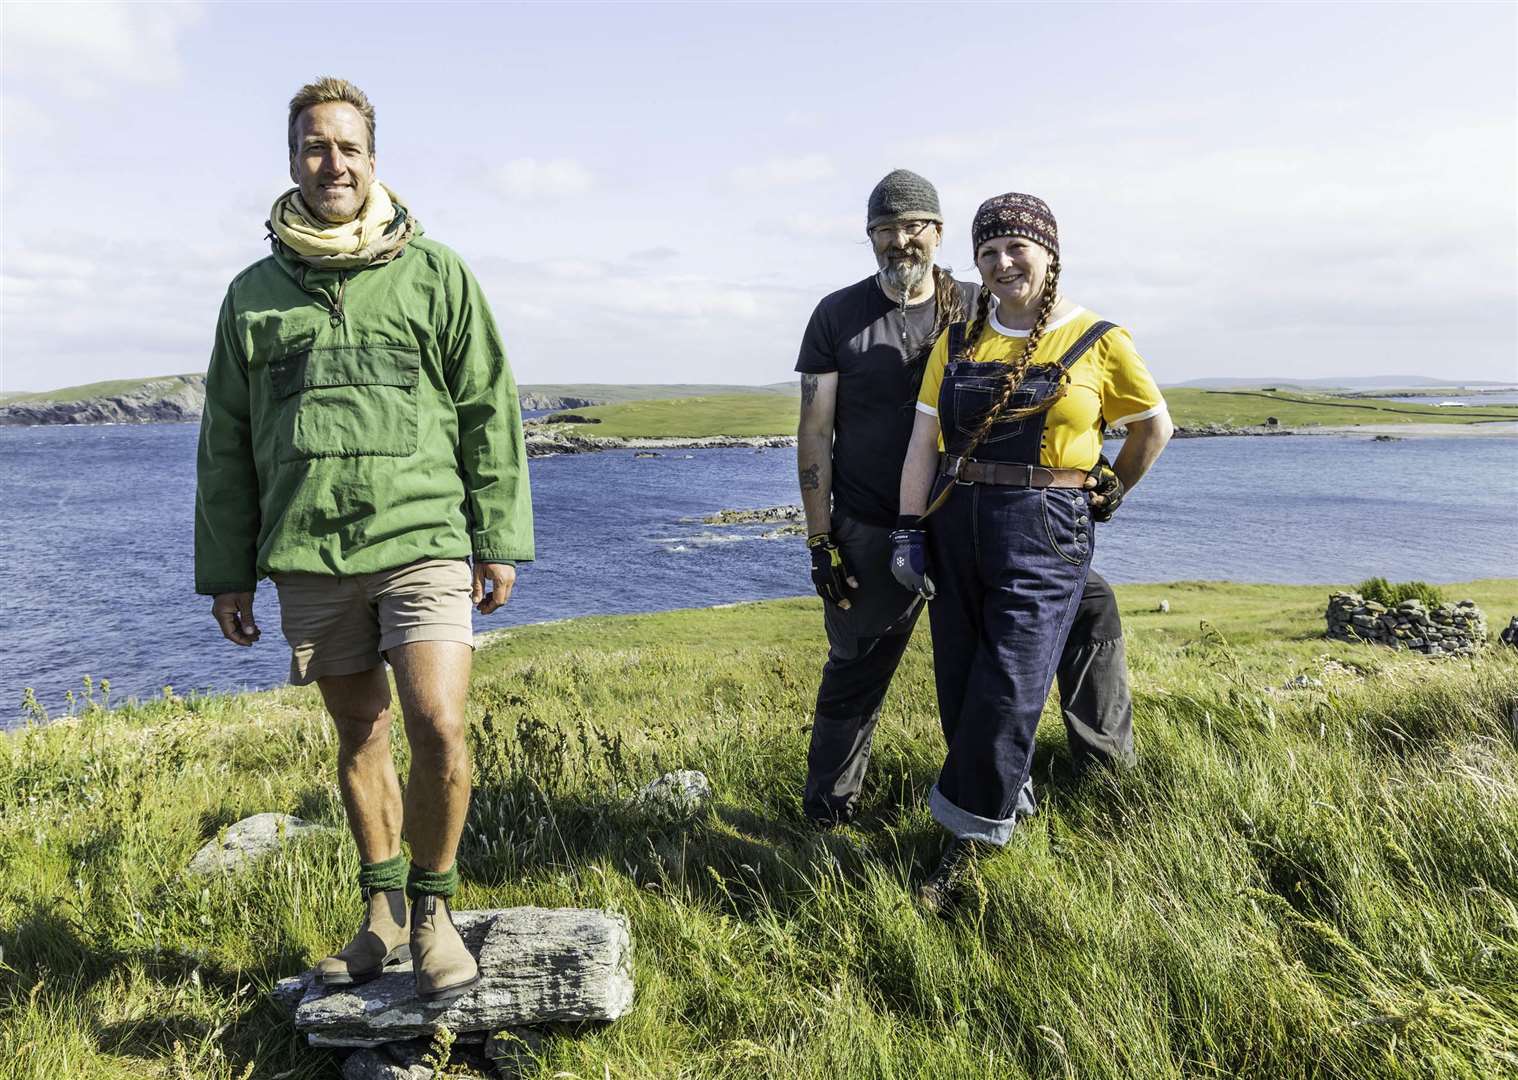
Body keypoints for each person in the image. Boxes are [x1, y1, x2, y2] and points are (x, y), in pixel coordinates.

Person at [194, 78, 534, 999]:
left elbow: (486, 412)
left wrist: (496, 537)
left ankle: (435, 908)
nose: (331, 163)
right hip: (309, 548)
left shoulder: (437, 273)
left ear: (373, 160)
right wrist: (227, 572)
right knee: (362, 732)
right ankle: (381, 916)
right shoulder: (252, 297)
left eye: (347, 147)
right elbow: (225, 441)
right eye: (314, 146)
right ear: (293, 159)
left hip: (424, 535)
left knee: (438, 723)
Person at [796, 171, 1141, 831]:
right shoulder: (838, 316)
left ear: (938, 232)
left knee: (1090, 610)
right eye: (885, 230)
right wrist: (822, 539)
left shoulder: (984, 303)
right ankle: (827, 814)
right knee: (860, 662)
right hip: (874, 522)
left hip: (983, 522)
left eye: (913, 227)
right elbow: (814, 432)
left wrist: (1100, 468)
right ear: (870, 237)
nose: (900, 241)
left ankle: (1104, 775)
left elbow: (1056, 381)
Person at [892, 192, 1172, 912]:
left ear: (1048, 253)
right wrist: (908, 529)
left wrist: (1111, 486)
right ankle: (1010, 801)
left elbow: (1153, 427)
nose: (1002, 262)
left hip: (1047, 521)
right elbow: (925, 444)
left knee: (1008, 683)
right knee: (960, 679)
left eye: (1016, 247)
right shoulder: (956, 343)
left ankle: (968, 846)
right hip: (957, 521)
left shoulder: (1100, 339)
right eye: (988, 253)